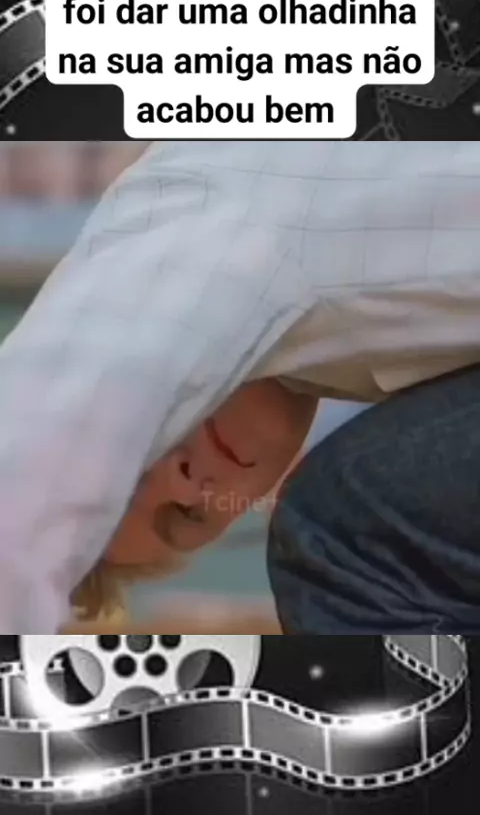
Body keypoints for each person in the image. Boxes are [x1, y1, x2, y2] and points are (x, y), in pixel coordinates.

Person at [2, 139, 480, 633]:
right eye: (189, 516)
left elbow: (16, 516)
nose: (185, 484)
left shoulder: (180, 220)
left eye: (133, 471)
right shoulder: (346, 346)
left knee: (345, 528)